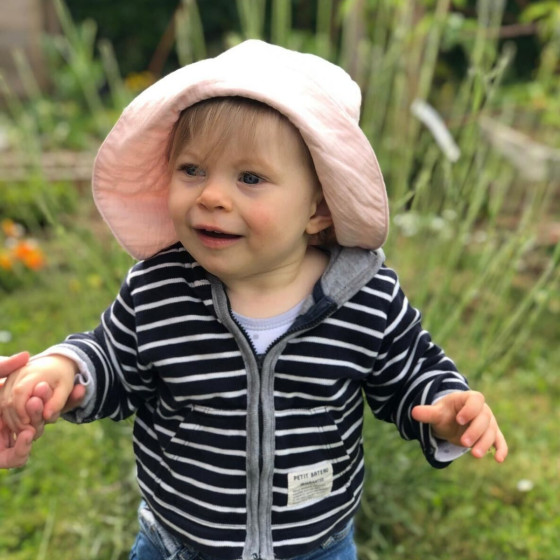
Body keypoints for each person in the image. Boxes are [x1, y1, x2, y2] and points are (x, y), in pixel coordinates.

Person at [0, 40, 507, 560]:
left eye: (250, 178)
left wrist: (447, 410)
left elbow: (410, 371)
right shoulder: (160, 290)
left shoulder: (365, 298)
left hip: (316, 547)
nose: (212, 196)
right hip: (177, 545)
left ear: (319, 209)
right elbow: (111, 358)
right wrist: (64, 370)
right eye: (193, 169)